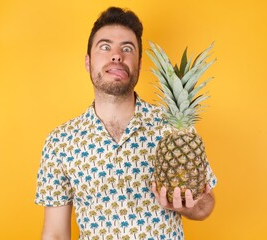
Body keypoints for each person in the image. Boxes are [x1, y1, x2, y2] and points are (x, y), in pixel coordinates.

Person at [35, 6, 217, 240]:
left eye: (127, 48)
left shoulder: (176, 129)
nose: (116, 55)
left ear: (139, 65)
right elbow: (55, 234)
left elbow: (207, 206)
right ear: (88, 62)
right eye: (105, 46)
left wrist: (187, 205)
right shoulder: (60, 143)